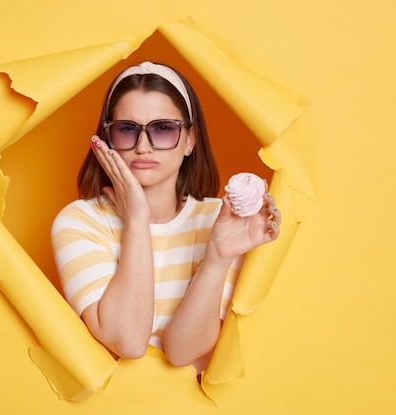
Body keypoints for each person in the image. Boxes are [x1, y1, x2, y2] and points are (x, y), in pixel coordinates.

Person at [51, 61, 281, 373]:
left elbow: (182, 352)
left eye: (163, 129)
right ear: (108, 139)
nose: (143, 147)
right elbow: (128, 342)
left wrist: (217, 255)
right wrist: (137, 220)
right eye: (126, 129)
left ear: (189, 140)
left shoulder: (223, 220)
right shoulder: (79, 223)